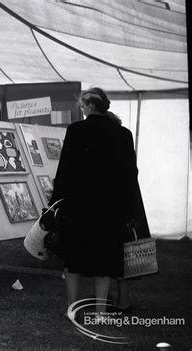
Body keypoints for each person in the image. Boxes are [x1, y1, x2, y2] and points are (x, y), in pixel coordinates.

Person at [49, 87, 139, 316]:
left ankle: (72, 308)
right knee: (105, 261)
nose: (81, 108)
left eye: (82, 105)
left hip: (77, 205)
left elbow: (65, 171)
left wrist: (54, 202)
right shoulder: (123, 134)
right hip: (111, 208)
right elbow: (131, 174)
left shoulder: (76, 130)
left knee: (73, 259)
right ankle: (100, 311)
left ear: (90, 106)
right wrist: (129, 208)